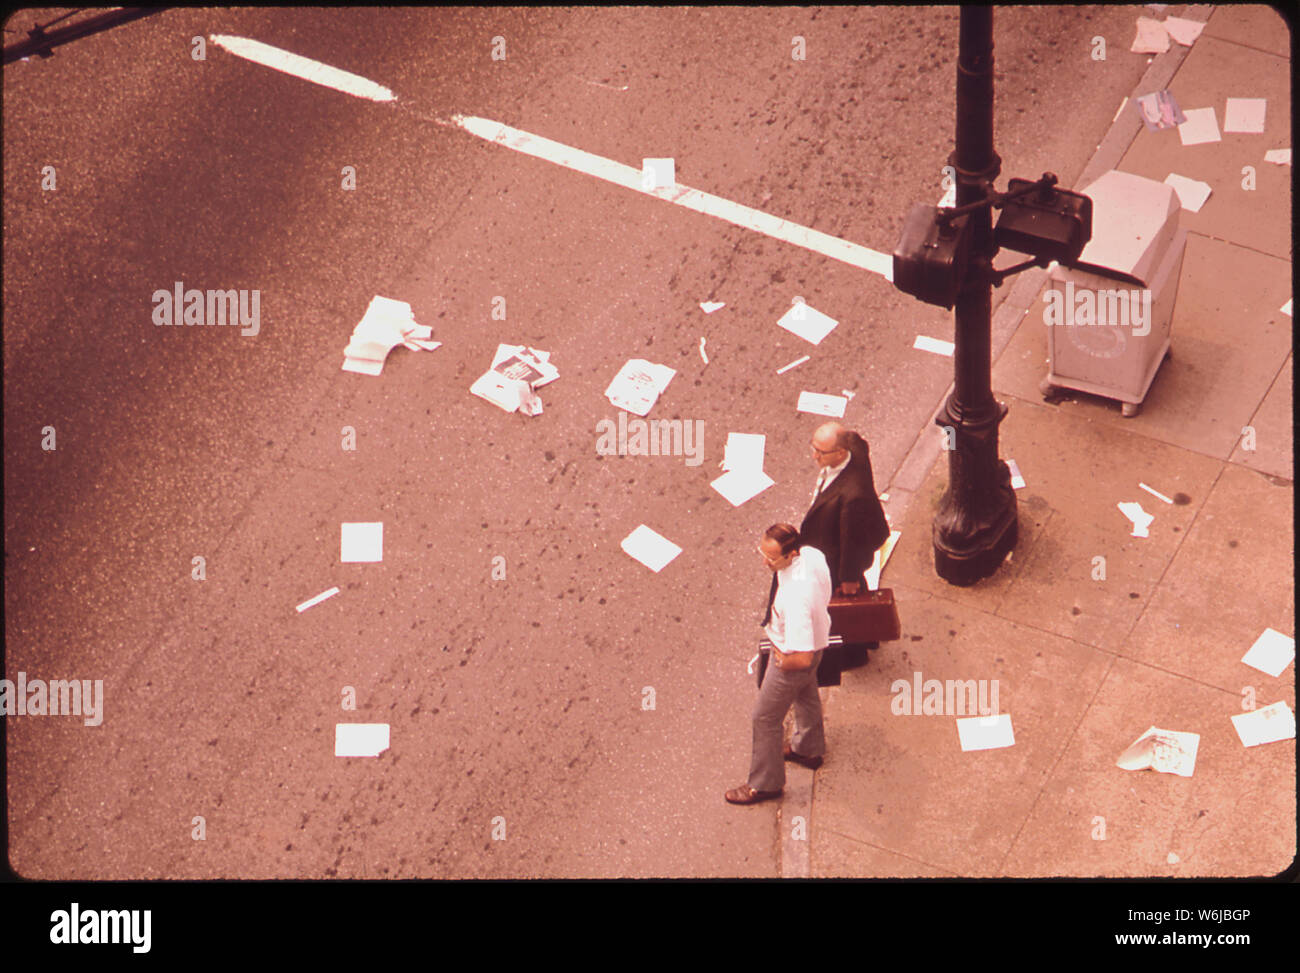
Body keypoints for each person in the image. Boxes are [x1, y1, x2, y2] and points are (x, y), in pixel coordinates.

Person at [725, 524, 830, 806]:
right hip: (820, 641)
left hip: (792, 656)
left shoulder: (795, 596)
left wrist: (783, 659)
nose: (765, 561)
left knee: (765, 717)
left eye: (771, 558)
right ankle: (808, 748)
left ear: (791, 554)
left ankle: (765, 783)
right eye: (763, 552)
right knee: (806, 694)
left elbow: (803, 657)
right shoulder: (812, 556)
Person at [799, 422, 891, 668]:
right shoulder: (854, 448)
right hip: (835, 547)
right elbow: (859, 441)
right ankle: (868, 638)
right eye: (814, 447)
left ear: (840, 454)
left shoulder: (853, 497)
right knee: (853, 600)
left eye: (821, 452)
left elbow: (852, 540)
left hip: (837, 559)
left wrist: (847, 577)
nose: (814, 455)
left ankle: (855, 652)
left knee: (845, 606)